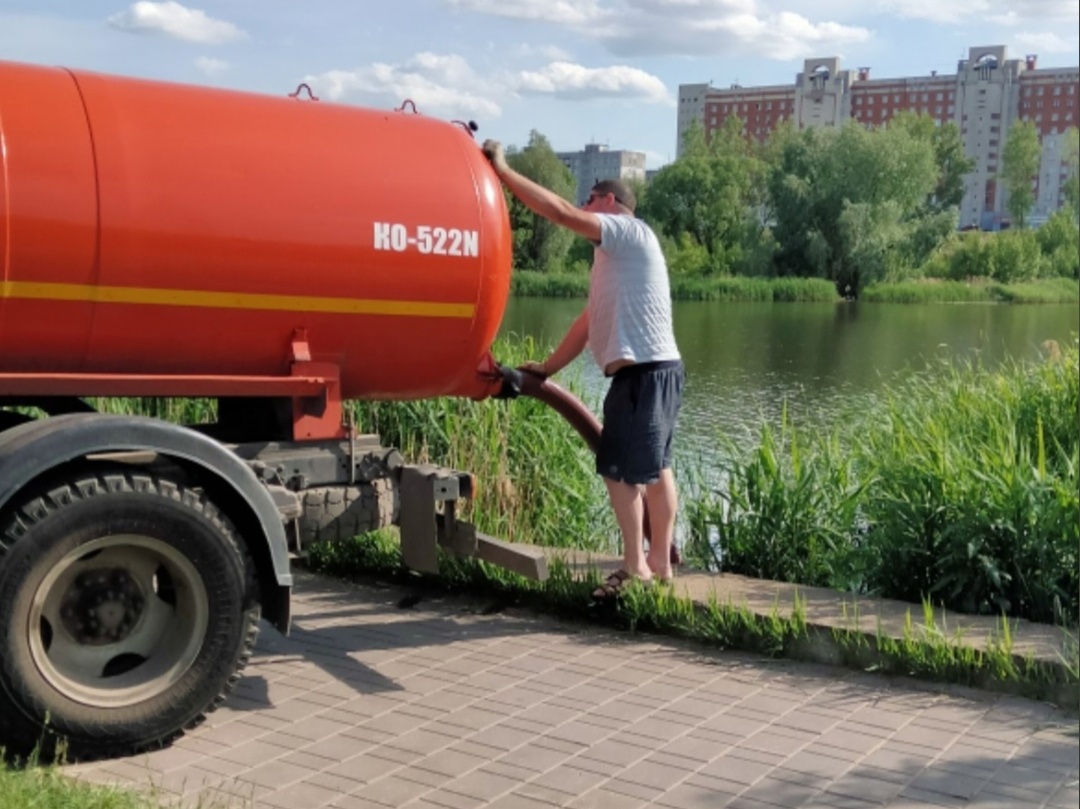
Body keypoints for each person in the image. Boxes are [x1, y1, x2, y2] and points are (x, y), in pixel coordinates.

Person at [481, 139, 685, 600]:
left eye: (590, 198)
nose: (584, 206)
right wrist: (549, 367)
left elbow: (557, 213)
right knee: (656, 470)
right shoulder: (619, 257)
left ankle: (636, 569)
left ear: (611, 202)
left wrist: (505, 172)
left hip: (642, 373)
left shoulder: (627, 232)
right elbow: (588, 321)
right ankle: (658, 567)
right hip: (660, 370)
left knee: (620, 472)